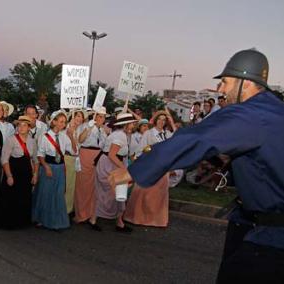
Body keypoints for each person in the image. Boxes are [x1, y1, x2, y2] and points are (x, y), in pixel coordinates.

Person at [108, 49, 284, 282]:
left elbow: (198, 137)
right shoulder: (272, 111)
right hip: (252, 220)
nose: (220, 89)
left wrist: (135, 170)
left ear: (246, 82)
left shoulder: (252, 114)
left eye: (225, 82)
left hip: (269, 235)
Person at [124, 110, 175, 227]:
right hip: (151, 166)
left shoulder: (168, 134)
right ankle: (140, 217)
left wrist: (172, 121)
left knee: (160, 194)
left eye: (164, 120)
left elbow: (176, 143)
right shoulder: (148, 133)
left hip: (163, 168)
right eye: (159, 119)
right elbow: (140, 150)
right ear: (155, 120)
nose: (161, 122)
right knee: (145, 192)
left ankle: (157, 219)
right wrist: (150, 149)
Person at [89, 112, 137, 233]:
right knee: (108, 194)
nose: (134, 124)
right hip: (109, 165)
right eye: (131, 122)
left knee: (119, 193)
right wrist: (124, 168)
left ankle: (118, 222)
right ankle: (94, 219)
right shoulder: (119, 135)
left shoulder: (124, 134)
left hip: (114, 165)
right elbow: (112, 155)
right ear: (126, 124)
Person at [33, 110, 77, 230]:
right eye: (61, 121)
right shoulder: (45, 136)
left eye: (64, 122)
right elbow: (40, 155)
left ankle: (55, 220)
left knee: (58, 194)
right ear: (54, 122)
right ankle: (42, 219)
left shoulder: (64, 137)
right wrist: (46, 167)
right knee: (46, 193)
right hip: (48, 166)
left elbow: (74, 151)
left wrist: (72, 135)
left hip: (60, 168)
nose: (64, 124)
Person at [0, 116, 38, 229]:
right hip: (14, 171)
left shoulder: (33, 141)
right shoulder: (11, 139)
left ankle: (21, 222)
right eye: (19, 125)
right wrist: (9, 176)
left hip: (26, 173)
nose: (21, 127)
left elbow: (35, 160)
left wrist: (35, 174)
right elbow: (4, 159)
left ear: (29, 128)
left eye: (25, 125)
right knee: (10, 197)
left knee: (24, 197)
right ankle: (8, 222)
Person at [74, 107, 108, 223]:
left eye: (103, 116)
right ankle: (81, 214)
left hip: (98, 157)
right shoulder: (85, 126)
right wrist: (88, 128)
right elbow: (80, 139)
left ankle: (92, 213)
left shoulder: (103, 130)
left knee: (95, 186)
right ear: (94, 115)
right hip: (86, 154)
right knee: (83, 185)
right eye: (98, 115)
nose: (100, 118)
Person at [64, 109, 86, 215]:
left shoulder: (79, 130)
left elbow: (78, 147)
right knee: (67, 185)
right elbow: (72, 148)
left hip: (75, 159)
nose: (79, 118)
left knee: (72, 186)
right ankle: (64, 210)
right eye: (77, 116)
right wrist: (71, 135)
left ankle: (69, 209)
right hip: (67, 158)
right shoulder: (66, 128)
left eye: (81, 117)